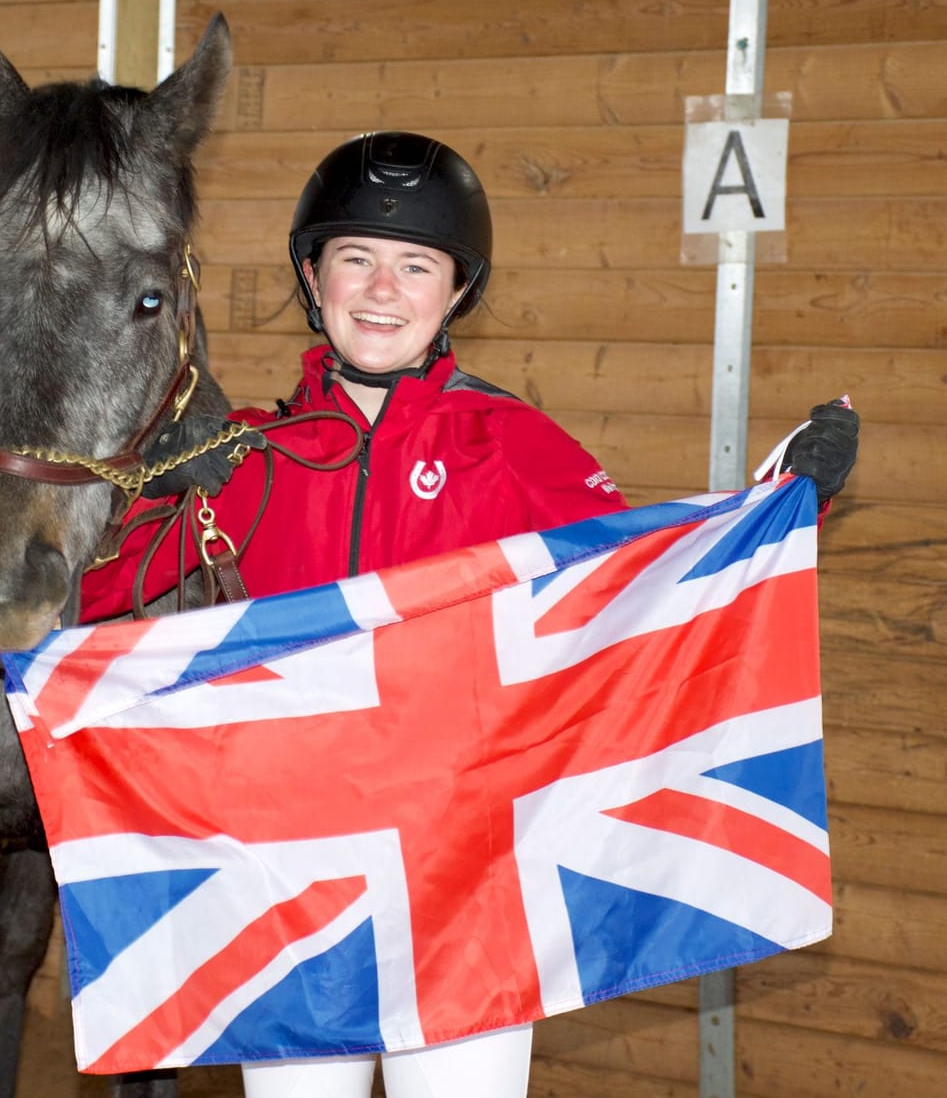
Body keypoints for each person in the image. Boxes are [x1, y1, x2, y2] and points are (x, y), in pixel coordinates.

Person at [77, 130, 859, 1097]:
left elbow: (646, 582)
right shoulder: (242, 454)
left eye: (416, 266)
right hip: (288, 887)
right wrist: (155, 496)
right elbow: (82, 603)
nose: (380, 290)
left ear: (455, 293)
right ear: (313, 278)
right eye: (354, 258)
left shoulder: (516, 446)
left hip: (465, 892)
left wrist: (774, 509)